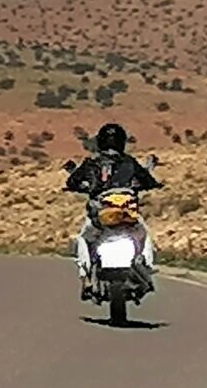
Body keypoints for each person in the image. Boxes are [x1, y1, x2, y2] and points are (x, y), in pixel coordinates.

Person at [64, 123, 162, 294]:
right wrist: (151, 184)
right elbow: (148, 180)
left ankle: (85, 277)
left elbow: (72, 182)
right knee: (144, 233)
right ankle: (147, 267)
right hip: (127, 217)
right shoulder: (129, 162)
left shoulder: (92, 163)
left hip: (100, 219)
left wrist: (80, 185)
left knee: (83, 239)